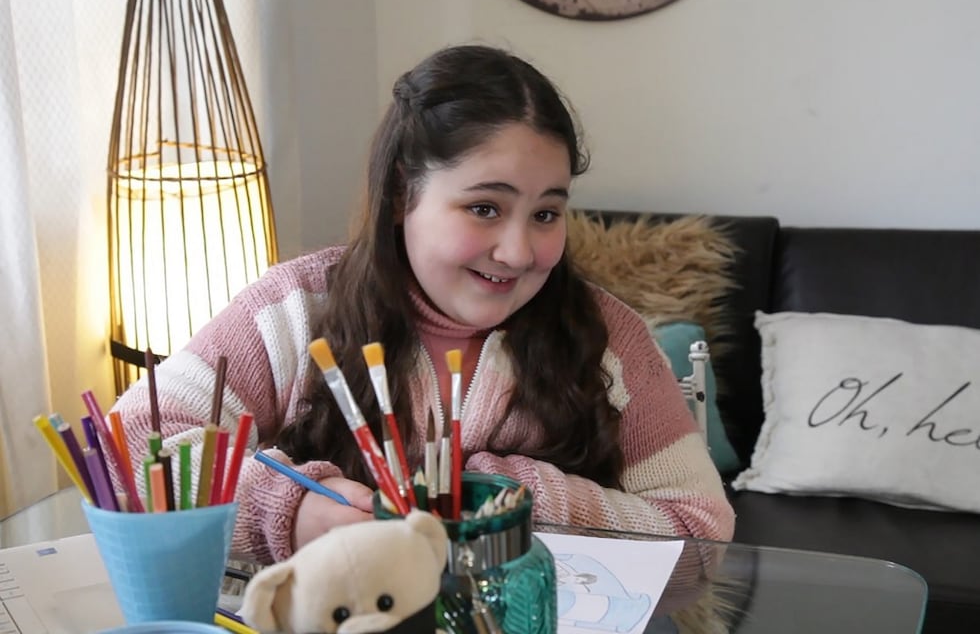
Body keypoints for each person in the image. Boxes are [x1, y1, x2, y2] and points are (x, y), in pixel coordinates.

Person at [111, 44, 735, 564]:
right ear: (400, 195)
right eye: (484, 208)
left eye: (546, 213)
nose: (518, 251)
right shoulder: (294, 312)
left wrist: (521, 496)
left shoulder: (611, 340)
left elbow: (701, 528)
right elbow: (128, 445)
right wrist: (290, 511)